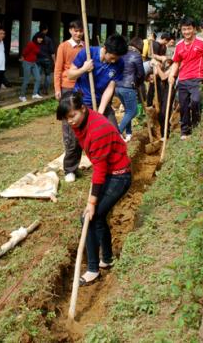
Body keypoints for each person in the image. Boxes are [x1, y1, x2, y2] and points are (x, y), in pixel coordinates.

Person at [57, 91, 131, 285]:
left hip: (119, 176)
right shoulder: (81, 123)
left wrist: (92, 201)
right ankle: (106, 259)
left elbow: (99, 169)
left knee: (88, 217)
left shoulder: (98, 129)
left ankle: (92, 269)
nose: (70, 122)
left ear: (83, 108)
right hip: (108, 172)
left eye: (72, 116)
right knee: (97, 217)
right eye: (66, 118)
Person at [67, 34, 128, 129]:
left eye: (116, 59)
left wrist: (99, 113)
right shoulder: (88, 53)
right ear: (104, 49)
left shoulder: (120, 63)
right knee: (81, 136)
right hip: (82, 101)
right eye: (112, 58)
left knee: (113, 131)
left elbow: (110, 88)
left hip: (101, 101)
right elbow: (70, 75)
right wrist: (83, 69)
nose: (113, 62)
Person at [168, 17, 203, 140]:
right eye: (184, 29)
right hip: (183, 80)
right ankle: (185, 132)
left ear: (194, 29)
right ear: (181, 30)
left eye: (189, 29)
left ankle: (196, 127)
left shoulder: (201, 43)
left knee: (195, 102)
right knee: (183, 106)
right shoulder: (179, 46)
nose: (187, 32)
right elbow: (176, 63)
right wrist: (172, 76)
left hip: (197, 79)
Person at [53, 19, 84, 182]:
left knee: (81, 126)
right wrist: (57, 88)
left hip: (81, 89)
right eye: (76, 31)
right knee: (69, 127)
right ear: (71, 31)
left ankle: (75, 165)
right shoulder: (64, 46)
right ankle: (69, 169)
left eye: (81, 31)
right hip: (67, 87)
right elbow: (58, 69)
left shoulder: (85, 47)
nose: (78, 34)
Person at [115, 37, 145, 142]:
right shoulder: (137, 55)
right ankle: (117, 132)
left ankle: (128, 134)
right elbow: (141, 74)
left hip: (117, 87)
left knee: (128, 110)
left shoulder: (122, 53)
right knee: (133, 111)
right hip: (128, 87)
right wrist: (138, 83)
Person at [19, 32, 45, 102]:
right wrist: (22, 58)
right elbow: (25, 52)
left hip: (34, 63)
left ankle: (35, 94)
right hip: (27, 63)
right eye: (39, 38)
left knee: (38, 78)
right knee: (26, 80)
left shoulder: (38, 45)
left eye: (42, 38)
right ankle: (22, 96)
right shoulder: (31, 44)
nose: (40, 39)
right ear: (36, 38)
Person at [36, 24, 55, 95]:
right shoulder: (48, 39)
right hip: (46, 59)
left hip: (37, 59)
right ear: (46, 30)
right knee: (47, 75)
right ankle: (45, 90)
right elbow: (52, 52)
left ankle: (37, 91)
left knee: (38, 75)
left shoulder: (35, 37)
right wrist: (54, 61)